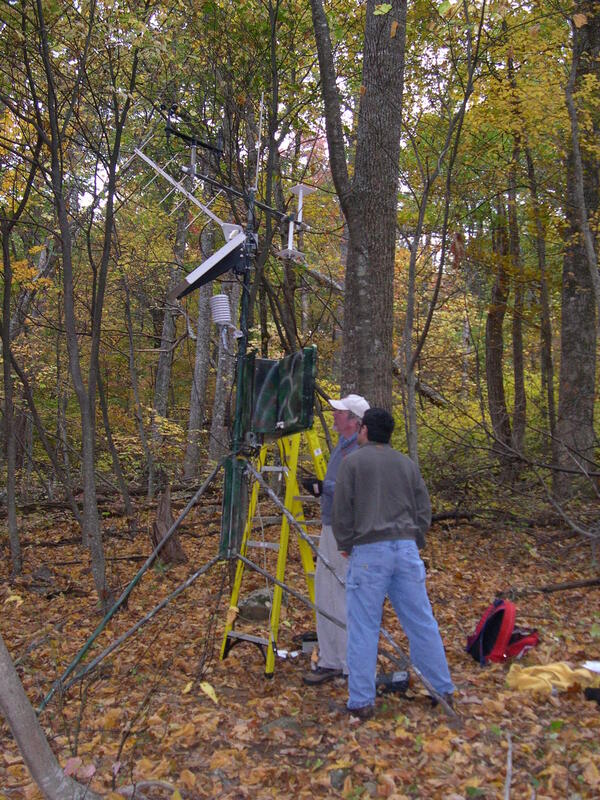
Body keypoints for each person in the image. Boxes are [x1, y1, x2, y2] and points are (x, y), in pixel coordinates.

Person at [332, 407, 454, 718]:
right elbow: (423, 508)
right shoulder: (406, 464)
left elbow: (342, 511)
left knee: (363, 628)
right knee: (421, 622)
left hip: (370, 553)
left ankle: (361, 702)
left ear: (366, 431)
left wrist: (345, 544)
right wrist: (415, 539)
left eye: (360, 428)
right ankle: (442, 690)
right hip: (406, 550)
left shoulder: (352, 463)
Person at [302, 394, 370, 685]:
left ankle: (346, 663)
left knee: (341, 594)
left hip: (346, 530)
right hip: (331, 525)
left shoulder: (359, 450)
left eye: (340, 412)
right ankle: (330, 659)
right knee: (325, 591)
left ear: (354, 421)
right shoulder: (342, 447)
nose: (334, 415)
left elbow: (353, 488)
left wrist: (323, 488)